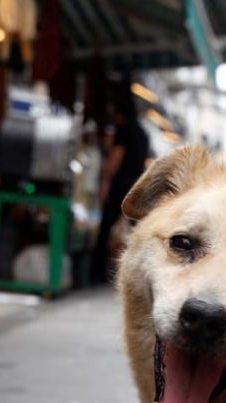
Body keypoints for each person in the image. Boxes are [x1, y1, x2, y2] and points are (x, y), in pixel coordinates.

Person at [91, 84, 150, 285]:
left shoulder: (123, 131)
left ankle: (96, 273)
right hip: (137, 188)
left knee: (106, 229)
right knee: (138, 234)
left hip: (119, 188)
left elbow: (115, 159)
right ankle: (138, 276)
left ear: (119, 113)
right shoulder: (143, 133)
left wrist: (105, 181)